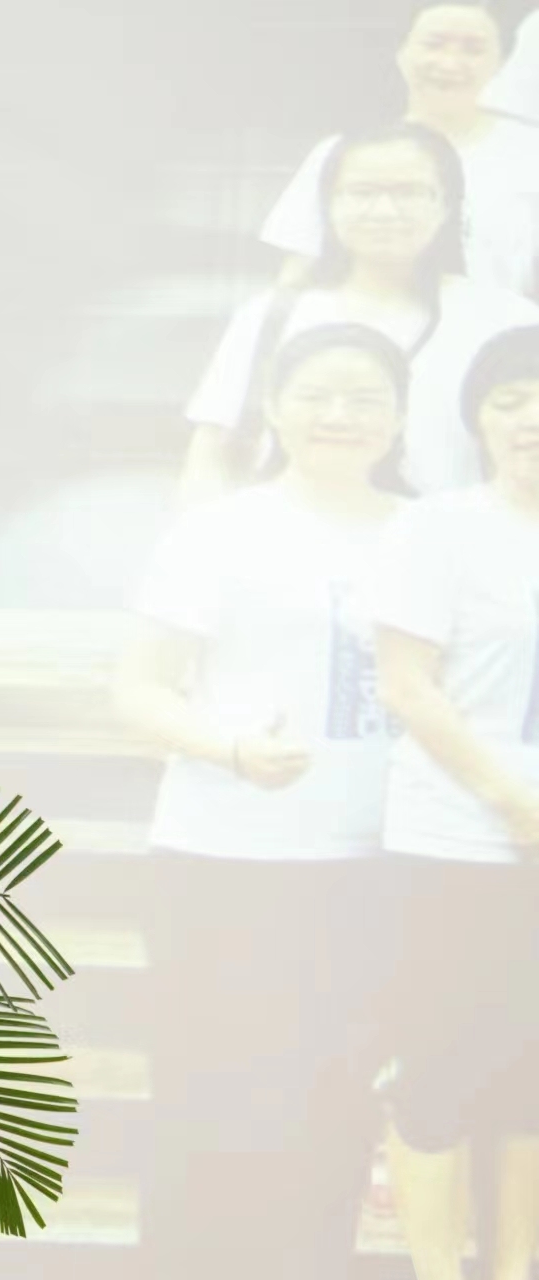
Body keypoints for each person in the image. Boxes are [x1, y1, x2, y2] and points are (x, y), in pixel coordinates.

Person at [117, 325, 413, 1279]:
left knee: (337, 1102)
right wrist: (235, 751)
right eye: (317, 394)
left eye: (365, 397)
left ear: (400, 416)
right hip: (224, 856)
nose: (340, 415)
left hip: (374, 862)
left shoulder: (426, 533)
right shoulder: (222, 529)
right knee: (206, 1096)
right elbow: (137, 690)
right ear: (276, 408)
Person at [373, 324, 539, 1280]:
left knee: (529, 1072)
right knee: (438, 1062)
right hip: (454, 839)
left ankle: (514, 1267)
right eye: (510, 401)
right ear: (479, 418)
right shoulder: (439, 527)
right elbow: (408, 683)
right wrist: (509, 798)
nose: (530, 420)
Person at [180, 121, 539, 504]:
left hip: (453, 540)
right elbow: (210, 455)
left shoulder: (508, 321)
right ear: (328, 205)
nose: (384, 211)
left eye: (409, 192)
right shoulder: (271, 316)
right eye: (361, 192)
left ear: (448, 205)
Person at [262, 3, 539, 298]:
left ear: (501, 61)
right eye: (433, 44)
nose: (449, 63)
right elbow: (297, 275)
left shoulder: (530, 154)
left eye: (473, 50)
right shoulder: (341, 152)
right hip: (362, 327)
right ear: (401, 52)